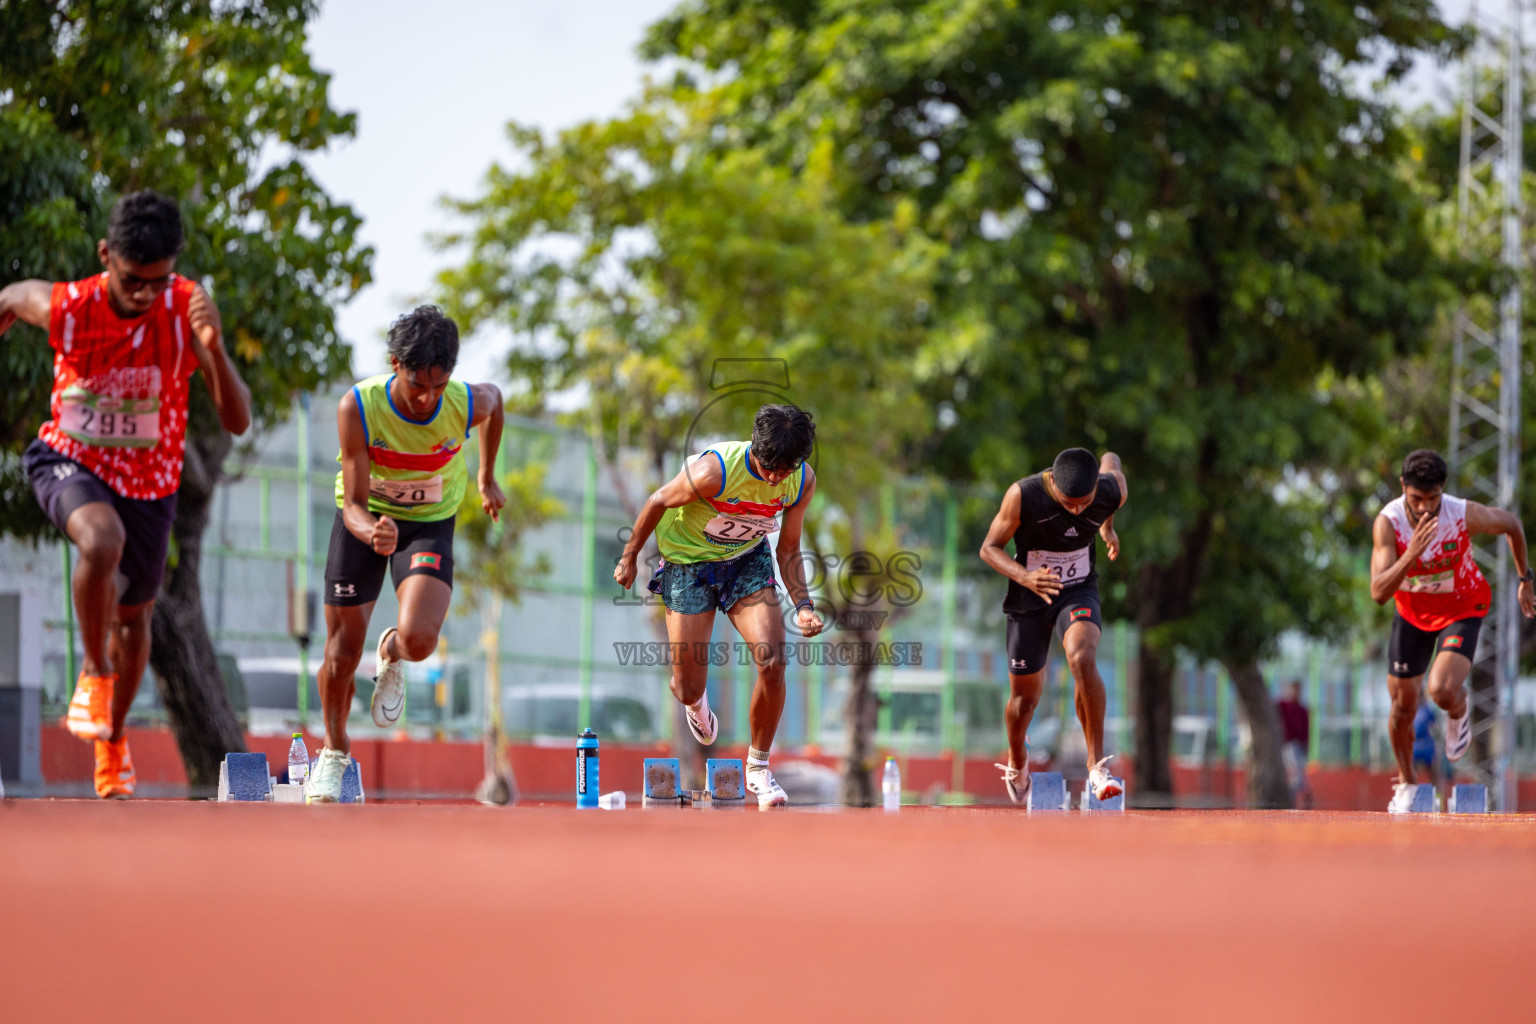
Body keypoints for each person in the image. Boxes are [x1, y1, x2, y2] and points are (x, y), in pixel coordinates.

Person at [0, 191, 251, 799]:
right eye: (133, 281)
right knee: (99, 538)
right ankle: (94, 669)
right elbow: (9, 297)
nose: (145, 295)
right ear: (106, 255)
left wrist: (213, 351)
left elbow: (237, 420)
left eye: (158, 281)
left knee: (136, 616)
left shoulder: (185, 308)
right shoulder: (71, 306)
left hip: (151, 482)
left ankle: (111, 743)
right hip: (71, 457)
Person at [310, 306, 505, 803]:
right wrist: (369, 528)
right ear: (395, 363)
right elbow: (351, 503)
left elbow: (496, 402)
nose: (426, 398)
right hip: (366, 520)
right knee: (339, 654)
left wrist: (485, 477)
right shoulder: (358, 406)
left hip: (430, 523)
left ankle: (391, 652)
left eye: (439, 387)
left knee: (420, 640)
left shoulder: (463, 403)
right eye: (418, 384)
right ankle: (333, 753)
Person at [613, 405, 824, 808]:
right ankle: (696, 700)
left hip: (746, 561)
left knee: (773, 659)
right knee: (687, 685)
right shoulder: (715, 471)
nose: (776, 478)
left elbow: (790, 547)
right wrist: (629, 556)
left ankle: (759, 769)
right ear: (755, 450)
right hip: (688, 565)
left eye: (786, 469)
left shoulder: (801, 481)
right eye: (768, 469)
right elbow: (657, 500)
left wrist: (803, 605)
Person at [1369, 449, 1535, 813]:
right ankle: (1409, 784)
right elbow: (1379, 591)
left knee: (1442, 690)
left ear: (1443, 490)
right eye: (1417, 499)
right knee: (1402, 707)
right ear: (1403, 489)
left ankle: (1459, 711)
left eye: (1433, 498)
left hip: (1461, 608)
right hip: (1411, 615)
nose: (1426, 508)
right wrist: (1411, 554)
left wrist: (1525, 579)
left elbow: (1511, 524)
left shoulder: (1459, 514)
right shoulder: (1389, 522)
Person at [980, 447, 1127, 805]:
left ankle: (1096, 766)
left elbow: (1112, 459)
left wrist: (1107, 528)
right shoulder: (1023, 495)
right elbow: (989, 548)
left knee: (1082, 657)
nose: (1076, 510)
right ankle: (1018, 758)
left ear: (1097, 487)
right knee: (1023, 701)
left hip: (1077, 591)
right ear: (1053, 486)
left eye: (1084, 502)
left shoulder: (1111, 489)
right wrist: (1026, 577)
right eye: (1068, 503)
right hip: (1029, 595)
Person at [1275, 680, 1312, 809]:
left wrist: (1307, 746)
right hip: (1287, 746)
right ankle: (1290, 803)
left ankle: (1299, 802)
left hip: (1298, 747)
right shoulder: (1283, 706)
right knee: (1294, 777)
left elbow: (1306, 731)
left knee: (1298, 777)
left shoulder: (1302, 710)